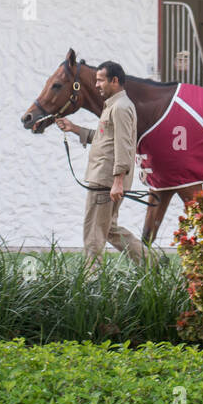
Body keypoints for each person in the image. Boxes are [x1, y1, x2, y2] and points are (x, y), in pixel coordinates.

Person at [56, 61, 148, 269]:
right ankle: (151, 263)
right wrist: (73, 128)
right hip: (105, 178)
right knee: (108, 229)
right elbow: (103, 139)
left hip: (106, 180)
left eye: (100, 80)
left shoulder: (121, 107)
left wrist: (117, 181)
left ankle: (92, 280)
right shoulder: (114, 106)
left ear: (114, 81)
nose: (96, 84)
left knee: (93, 233)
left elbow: (124, 145)